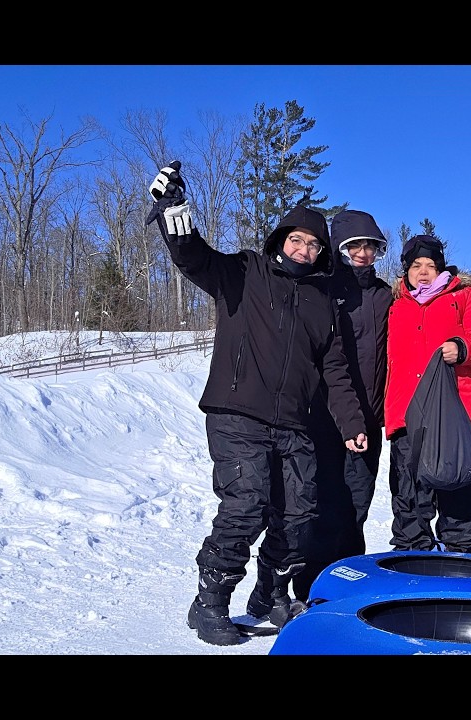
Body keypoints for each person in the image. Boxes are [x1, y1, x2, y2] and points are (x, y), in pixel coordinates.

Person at [145, 162, 368, 646]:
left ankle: (270, 594)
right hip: (237, 413)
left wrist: (351, 422)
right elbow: (193, 256)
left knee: (299, 513)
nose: (304, 249)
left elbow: (335, 369)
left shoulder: (320, 301)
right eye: (297, 240)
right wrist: (174, 212)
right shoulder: (243, 271)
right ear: (280, 239)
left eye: (314, 244)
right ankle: (209, 602)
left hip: (293, 422)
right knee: (246, 507)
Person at [293, 210, 393, 601]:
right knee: (321, 504)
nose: (363, 253)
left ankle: (349, 588)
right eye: (354, 246)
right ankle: (309, 588)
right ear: (339, 248)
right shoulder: (320, 288)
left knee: (356, 505)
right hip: (323, 417)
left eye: (369, 246)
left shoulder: (386, 295)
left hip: (368, 418)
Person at [384, 235, 471, 553]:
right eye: (416, 265)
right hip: (408, 413)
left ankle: (460, 557)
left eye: (431, 265)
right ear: (405, 269)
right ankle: (411, 560)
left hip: (456, 412)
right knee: (409, 498)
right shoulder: (394, 305)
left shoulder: (464, 297)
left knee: (457, 494)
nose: (423, 272)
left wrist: (462, 348)